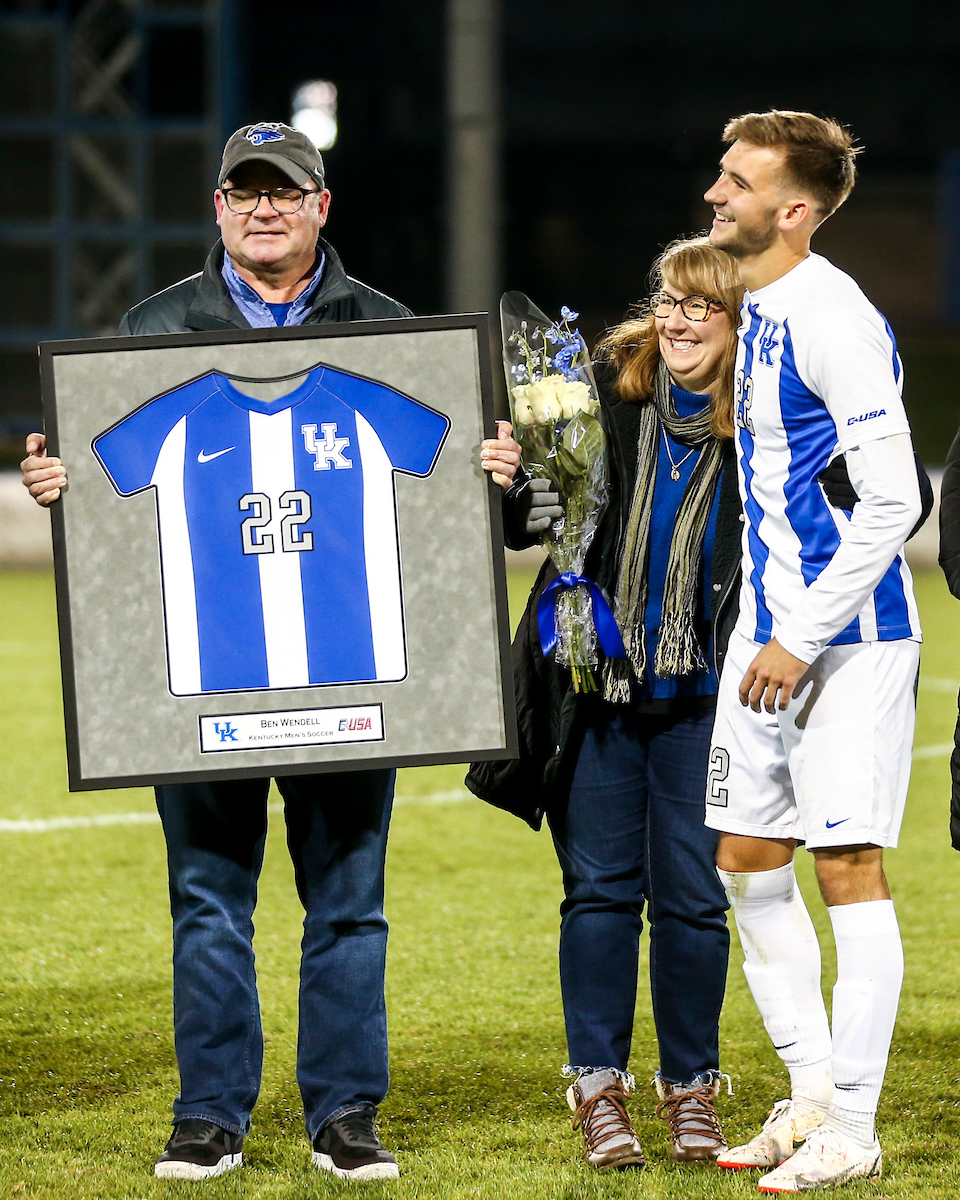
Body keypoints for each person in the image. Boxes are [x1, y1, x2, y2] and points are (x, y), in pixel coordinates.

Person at [21, 122, 409, 1183]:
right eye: (245, 191)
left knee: (348, 905)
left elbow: (434, 500)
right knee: (207, 903)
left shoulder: (389, 331)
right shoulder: (154, 328)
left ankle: (345, 1113)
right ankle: (209, 1114)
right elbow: (110, 493)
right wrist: (63, 489)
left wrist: (492, 470)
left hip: (343, 667)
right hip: (202, 676)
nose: (264, 208)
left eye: (285, 191)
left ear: (321, 206)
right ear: (218, 207)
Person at [473, 237, 744, 1169]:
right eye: (667, 301)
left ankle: (692, 1088)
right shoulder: (597, 392)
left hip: (706, 696)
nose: (677, 321)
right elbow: (530, 525)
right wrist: (511, 479)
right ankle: (598, 1089)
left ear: (739, 321)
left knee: (695, 901)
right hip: (594, 686)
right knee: (598, 892)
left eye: (700, 305)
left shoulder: (765, 418)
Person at [702, 110, 923, 1193]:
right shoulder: (755, 305)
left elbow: (894, 499)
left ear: (794, 211)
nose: (715, 194)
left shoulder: (833, 317)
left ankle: (857, 1127)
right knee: (746, 859)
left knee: (846, 867)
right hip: (767, 632)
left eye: (737, 183)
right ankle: (811, 1094)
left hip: (848, 641)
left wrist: (800, 635)